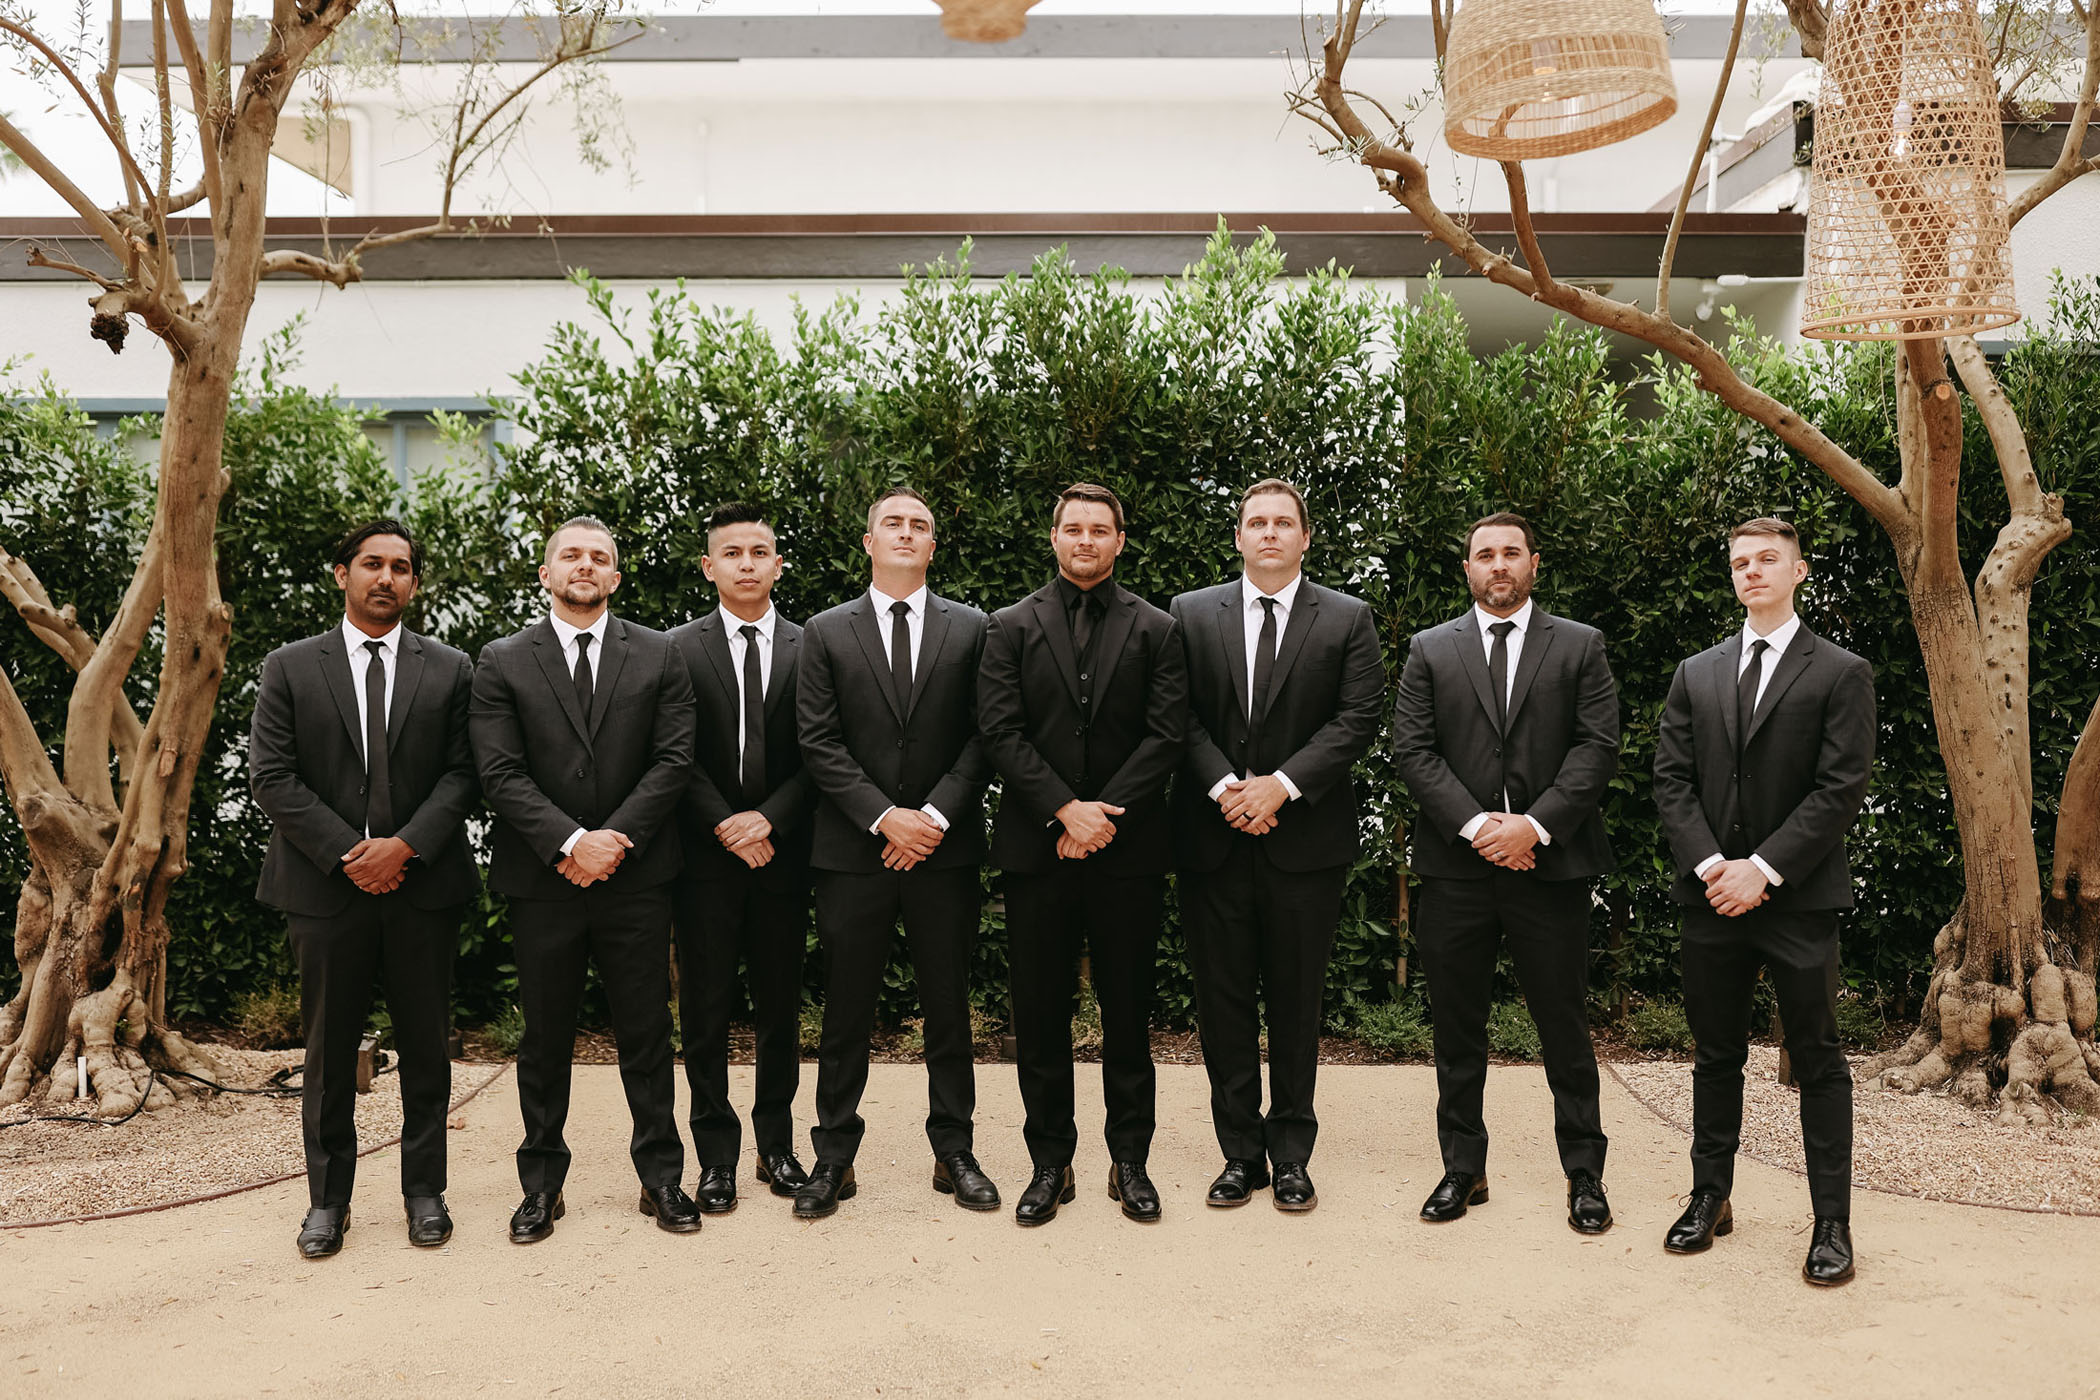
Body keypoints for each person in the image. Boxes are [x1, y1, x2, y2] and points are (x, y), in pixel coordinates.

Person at [1652, 516, 1874, 1287]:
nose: (1752, 571)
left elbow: (1840, 787)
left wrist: (1765, 870)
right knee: (1715, 1054)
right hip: (1711, 895)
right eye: (1741, 562)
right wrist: (1717, 866)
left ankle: (1832, 1224)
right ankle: (1710, 1196)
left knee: (1817, 1059)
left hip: (1799, 900)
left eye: (1767, 560)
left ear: (1798, 571)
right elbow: (1671, 780)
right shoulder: (1697, 672)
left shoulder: (1840, 672)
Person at [250, 520, 478, 1259]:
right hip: (326, 888)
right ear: (341, 574)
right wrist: (350, 853)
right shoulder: (290, 666)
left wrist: (404, 846)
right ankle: (328, 1202)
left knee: (427, 1047)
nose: (387, 577)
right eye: (372, 564)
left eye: (401, 567)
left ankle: (425, 1193)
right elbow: (271, 777)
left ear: (414, 582)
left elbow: (465, 773)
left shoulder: (450, 669)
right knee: (327, 1052)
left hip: (422, 885)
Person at [469, 516, 700, 1243]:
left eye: (599, 557)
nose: (585, 565)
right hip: (545, 880)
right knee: (544, 1037)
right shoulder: (503, 660)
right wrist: (571, 842)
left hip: (637, 877)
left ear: (616, 578)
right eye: (570, 555)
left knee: (647, 1032)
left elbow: (673, 760)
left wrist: (613, 841)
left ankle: (661, 1178)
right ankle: (541, 1186)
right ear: (546, 574)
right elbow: (498, 771)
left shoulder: (660, 653)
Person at [1390, 512, 1620, 1234]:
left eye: (1510, 553)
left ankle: (1584, 1173)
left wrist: (1534, 826)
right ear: (1467, 569)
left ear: (1533, 563)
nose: (1498, 564)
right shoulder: (1430, 649)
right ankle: (1463, 1169)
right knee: (1457, 1027)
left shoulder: (1579, 645)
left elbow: (1596, 747)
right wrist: (1481, 829)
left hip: (1550, 870)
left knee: (1564, 1027)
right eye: (1484, 554)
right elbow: (1413, 750)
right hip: (1456, 872)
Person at [1169, 478, 1383, 1213]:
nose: (1268, 533)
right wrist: (1227, 789)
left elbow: (1357, 717)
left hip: (1305, 843)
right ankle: (1240, 1155)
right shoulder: (1191, 614)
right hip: (1213, 839)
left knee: (1296, 1004)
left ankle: (1291, 1155)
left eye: (1282, 522)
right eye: (1255, 522)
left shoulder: (1348, 618)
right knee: (1222, 1002)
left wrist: (1281, 787)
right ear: (1238, 537)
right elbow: (1176, 713)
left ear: (1305, 537)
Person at [978, 483, 1186, 1226]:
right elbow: (1000, 731)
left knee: (1128, 1017)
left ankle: (1129, 1163)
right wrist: (1065, 809)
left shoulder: (1159, 629)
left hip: (1128, 854)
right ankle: (1050, 1164)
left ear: (1119, 541)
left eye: (1100, 530)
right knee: (1039, 1018)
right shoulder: (1008, 627)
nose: (1086, 540)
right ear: (1055, 537)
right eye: (1074, 529)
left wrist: (1100, 817)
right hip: (1038, 851)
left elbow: (1166, 735)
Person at [792, 487, 997, 1220]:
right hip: (854, 853)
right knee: (846, 1011)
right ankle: (833, 1157)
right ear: (869, 542)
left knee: (948, 1007)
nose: (906, 533)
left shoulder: (974, 628)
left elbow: (986, 733)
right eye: (893, 523)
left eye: (919, 525)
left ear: (933, 545)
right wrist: (885, 820)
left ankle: (955, 1152)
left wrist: (931, 818)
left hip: (945, 850)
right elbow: (818, 740)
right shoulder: (825, 631)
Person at [665, 502, 815, 1213]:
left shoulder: (814, 646)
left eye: (759, 552)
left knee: (780, 1009)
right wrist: (726, 822)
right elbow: (672, 752)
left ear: (778, 564)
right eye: (732, 553)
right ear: (709, 567)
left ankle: (776, 1146)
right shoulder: (675, 650)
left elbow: (825, 750)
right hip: (704, 859)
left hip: (783, 857)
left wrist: (769, 820)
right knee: (705, 1011)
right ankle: (716, 1157)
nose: (746, 564)